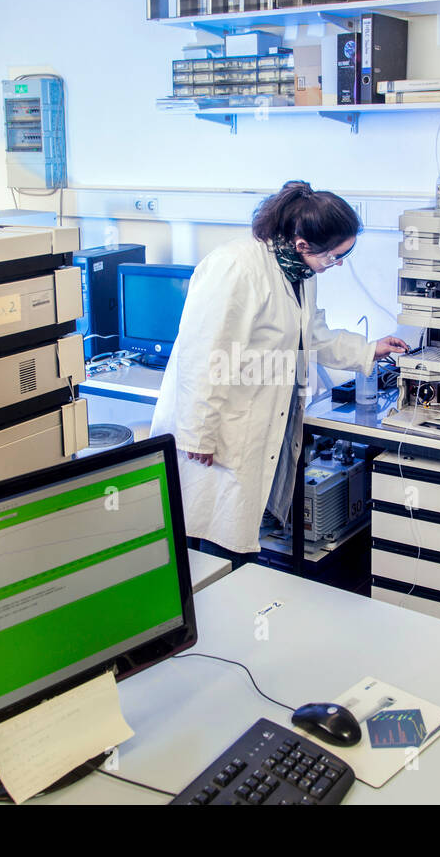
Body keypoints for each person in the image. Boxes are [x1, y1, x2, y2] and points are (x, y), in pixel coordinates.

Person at [150, 180, 410, 567]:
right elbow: (203, 357)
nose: (338, 265)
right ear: (303, 244)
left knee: (237, 544)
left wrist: (369, 350)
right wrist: (197, 435)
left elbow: (313, 336)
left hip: (254, 427)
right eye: (336, 256)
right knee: (211, 551)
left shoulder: (299, 273)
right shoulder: (236, 268)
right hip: (213, 437)